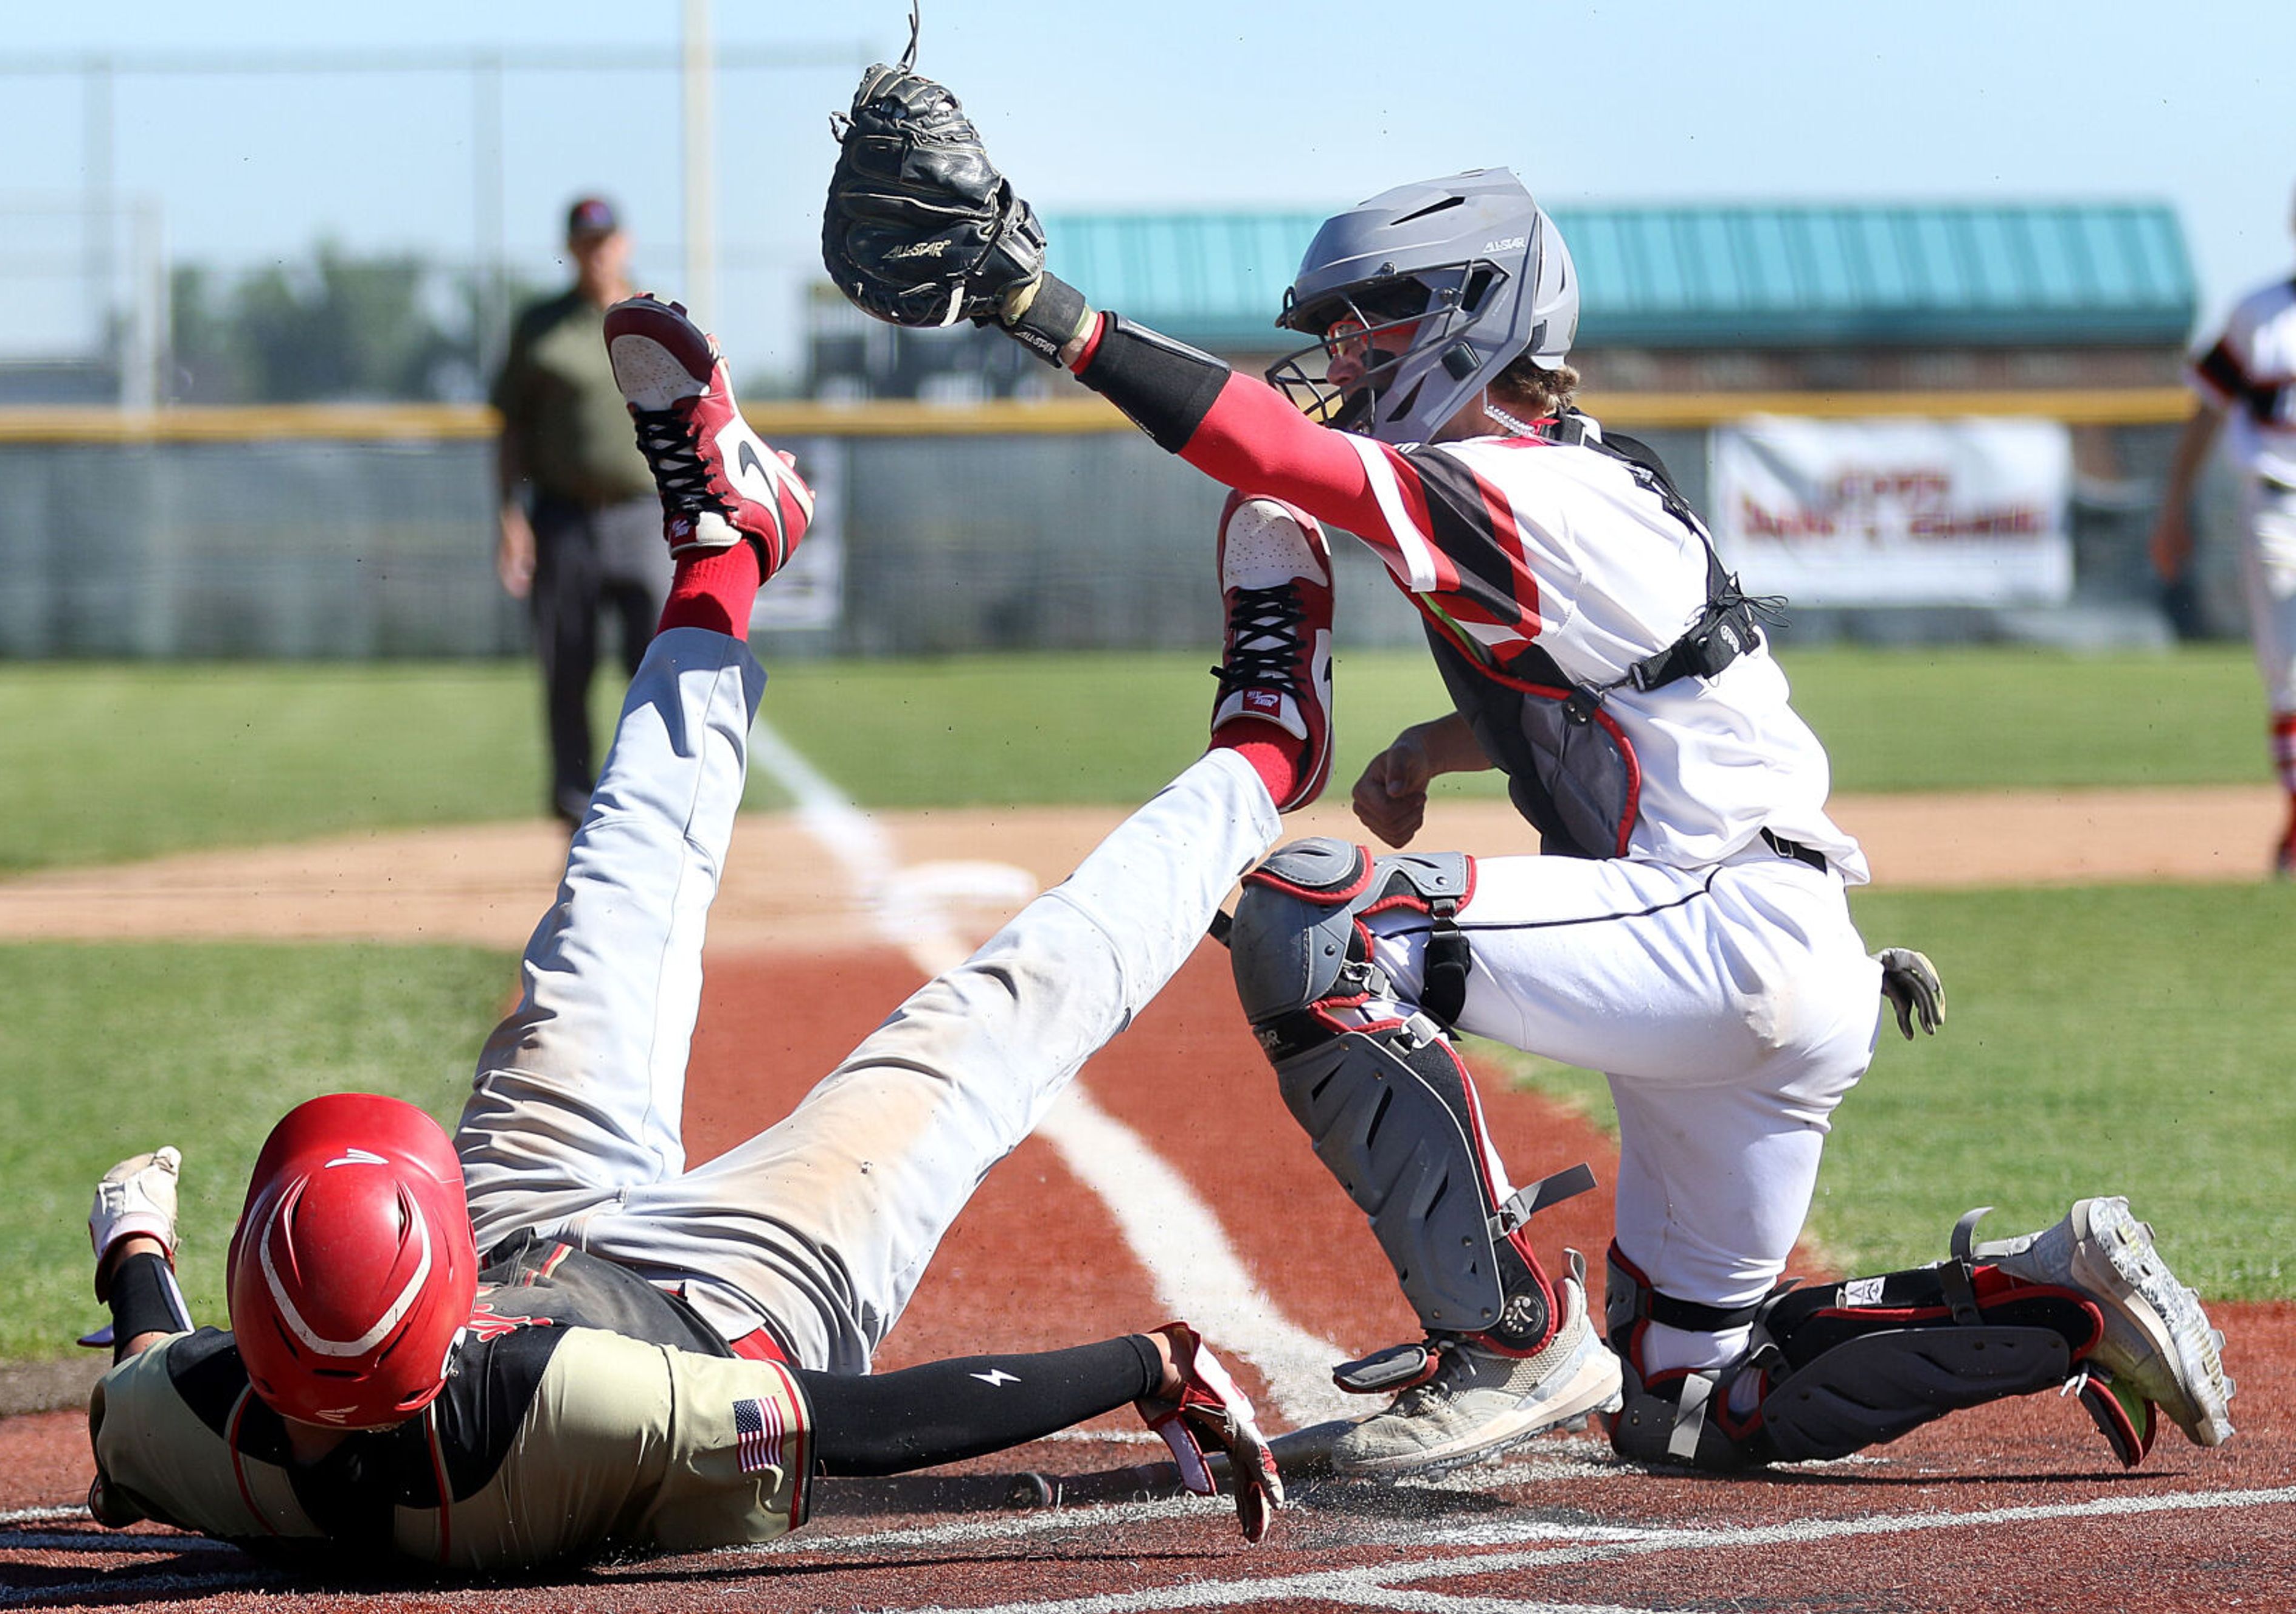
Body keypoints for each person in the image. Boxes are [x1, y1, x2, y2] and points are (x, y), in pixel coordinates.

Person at [820, 66, 2239, 1480]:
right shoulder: (1559, 482)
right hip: (1765, 958)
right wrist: (1434, 746)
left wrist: (1041, 311)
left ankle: (1500, 1339)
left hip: (1714, 927)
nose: (1342, 359)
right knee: (1690, 1400)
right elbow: (1607, 699)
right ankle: (2057, 1294)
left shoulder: (1535, 487)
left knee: (1321, 926)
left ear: (1468, 316)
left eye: (1365, 327)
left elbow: (1273, 451)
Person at [81, 295, 1296, 1571]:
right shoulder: (574, 1413)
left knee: (608, 891)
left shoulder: (201, 1428)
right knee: (980, 1032)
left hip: (525, 1233)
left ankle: (729, 542)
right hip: (740, 1295)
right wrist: (1143, 1364)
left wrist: (135, 1246)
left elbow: (149, 1359)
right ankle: (1267, 751)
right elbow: (863, 1426)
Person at [492, 197, 673, 826]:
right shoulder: (544, 325)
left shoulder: (653, 320)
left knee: (657, 669)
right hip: (563, 518)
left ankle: (656, 811)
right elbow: (511, 427)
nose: (596, 252)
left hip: (645, 515)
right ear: (571, 247)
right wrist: (510, 518)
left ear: (623, 243)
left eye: (605, 240)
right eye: (585, 241)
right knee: (567, 671)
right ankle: (576, 817)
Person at [2150, 200, 2296, 875]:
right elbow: (2206, 409)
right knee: (2290, 672)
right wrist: (2174, 505)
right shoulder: (2259, 313)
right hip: (2279, 507)